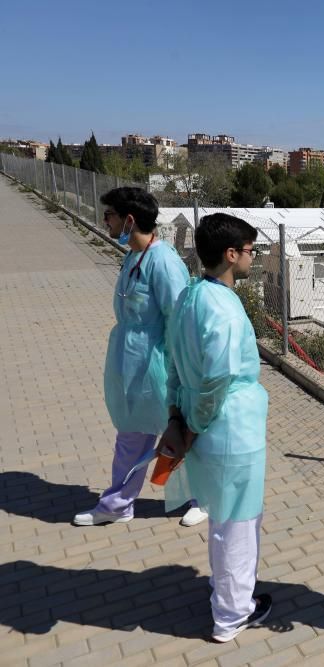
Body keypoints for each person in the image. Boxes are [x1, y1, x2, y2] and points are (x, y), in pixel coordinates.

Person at [161, 213, 271, 643]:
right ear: (231, 255)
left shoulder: (190, 297)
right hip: (227, 429)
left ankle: (227, 593)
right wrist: (192, 426)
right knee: (238, 523)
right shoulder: (223, 309)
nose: (252, 257)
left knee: (225, 519)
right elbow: (217, 380)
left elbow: (172, 365)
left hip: (205, 424)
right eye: (249, 250)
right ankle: (231, 614)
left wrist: (177, 415)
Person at [73, 188, 205, 528]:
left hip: (159, 367)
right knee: (131, 433)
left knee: (178, 433)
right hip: (133, 365)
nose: (106, 221)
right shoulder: (133, 256)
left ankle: (203, 499)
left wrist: (182, 376)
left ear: (129, 220)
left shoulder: (164, 262)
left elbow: (178, 321)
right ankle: (118, 504)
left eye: (110, 215)